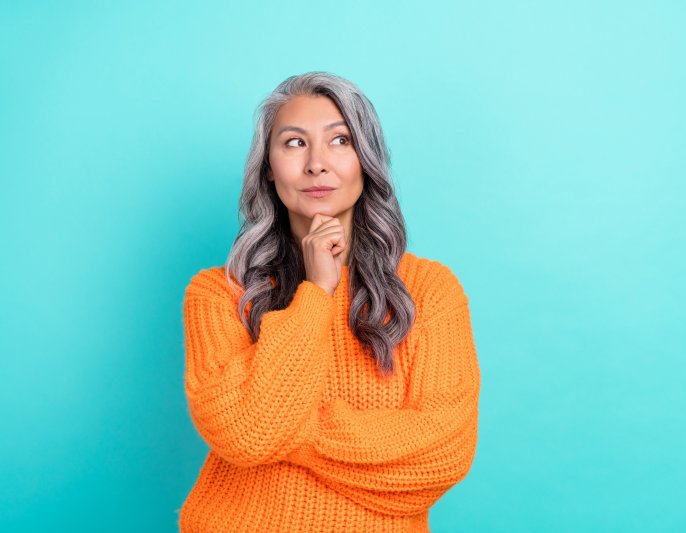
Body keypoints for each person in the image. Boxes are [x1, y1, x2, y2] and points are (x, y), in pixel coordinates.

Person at [178, 71, 481, 532]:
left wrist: (287, 431)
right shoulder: (220, 294)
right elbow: (243, 434)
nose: (317, 164)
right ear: (268, 168)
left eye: (339, 140)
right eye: (295, 143)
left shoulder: (429, 291)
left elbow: (442, 454)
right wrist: (317, 291)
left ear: (367, 160)